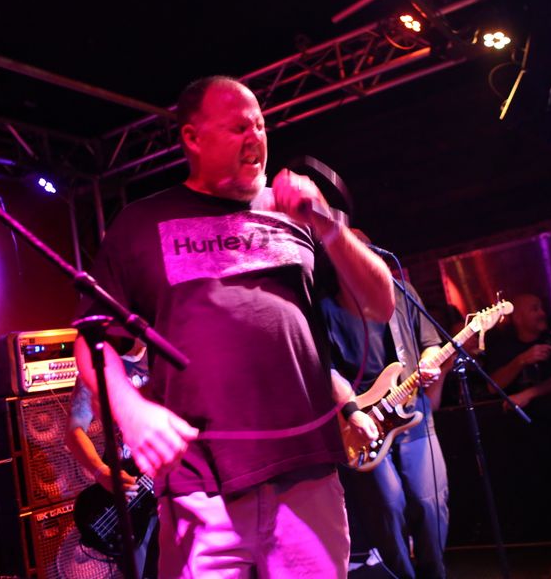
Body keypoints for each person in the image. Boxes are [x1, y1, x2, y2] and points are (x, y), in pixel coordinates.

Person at [73, 76, 395, 578]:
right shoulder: (140, 224)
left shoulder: (298, 217)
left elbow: (380, 303)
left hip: (306, 472)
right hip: (201, 486)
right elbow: (92, 341)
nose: (256, 138)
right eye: (239, 127)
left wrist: (328, 223)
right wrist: (130, 409)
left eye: (260, 126)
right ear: (193, 138)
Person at [321, 247, 448, 579]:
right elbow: (326, 369)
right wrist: (352, 411)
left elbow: (430, 344)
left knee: (429, 503)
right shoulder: (326, 306)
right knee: (387, 509)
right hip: (364, 420)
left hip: (414, 413)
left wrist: (429, 364)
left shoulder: (402, 292)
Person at [65, 342, 158, 578]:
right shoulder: (98, 365)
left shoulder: (164, 356)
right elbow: (74, 431)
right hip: (131, 494)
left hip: (175, 487)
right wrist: (101, 471)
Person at [484, 293, 551, 409]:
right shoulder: (503, 346)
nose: (542, 313)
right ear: (518, 319)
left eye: (542, 308)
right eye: (535, 309)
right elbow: (492, 387)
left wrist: (528, 394)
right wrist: (521, 360)